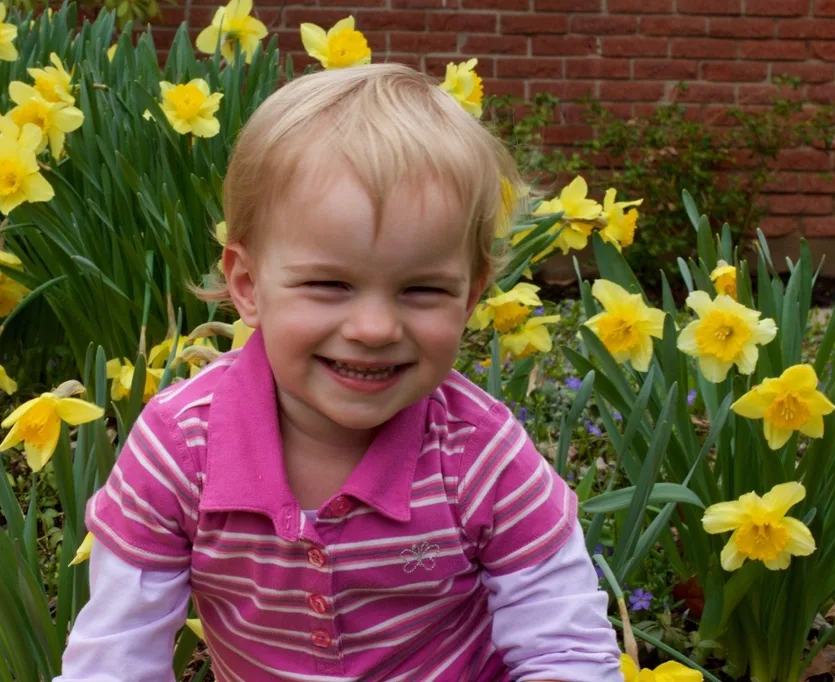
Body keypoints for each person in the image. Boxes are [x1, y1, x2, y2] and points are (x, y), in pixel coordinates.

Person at [56, 63, 622, 682]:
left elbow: (568, 653)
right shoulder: (181, 449)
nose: (375, 328)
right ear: (248, 284)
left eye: (423, 290)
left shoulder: (481, 455)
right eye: (329, 284)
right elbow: (114, 661)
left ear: (470, 295)